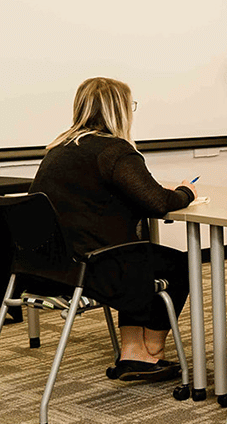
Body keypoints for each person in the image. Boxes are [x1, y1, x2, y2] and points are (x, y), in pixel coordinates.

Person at [28, 77, 196, 381]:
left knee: (137, 257)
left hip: (48, 271)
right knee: (178, 266)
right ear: (119, 110)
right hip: (91, 270)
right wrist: (186, 192)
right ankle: (151, 352)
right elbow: (159, 202)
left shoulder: (59, 149)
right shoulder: (114, 150)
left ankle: (133, 353)